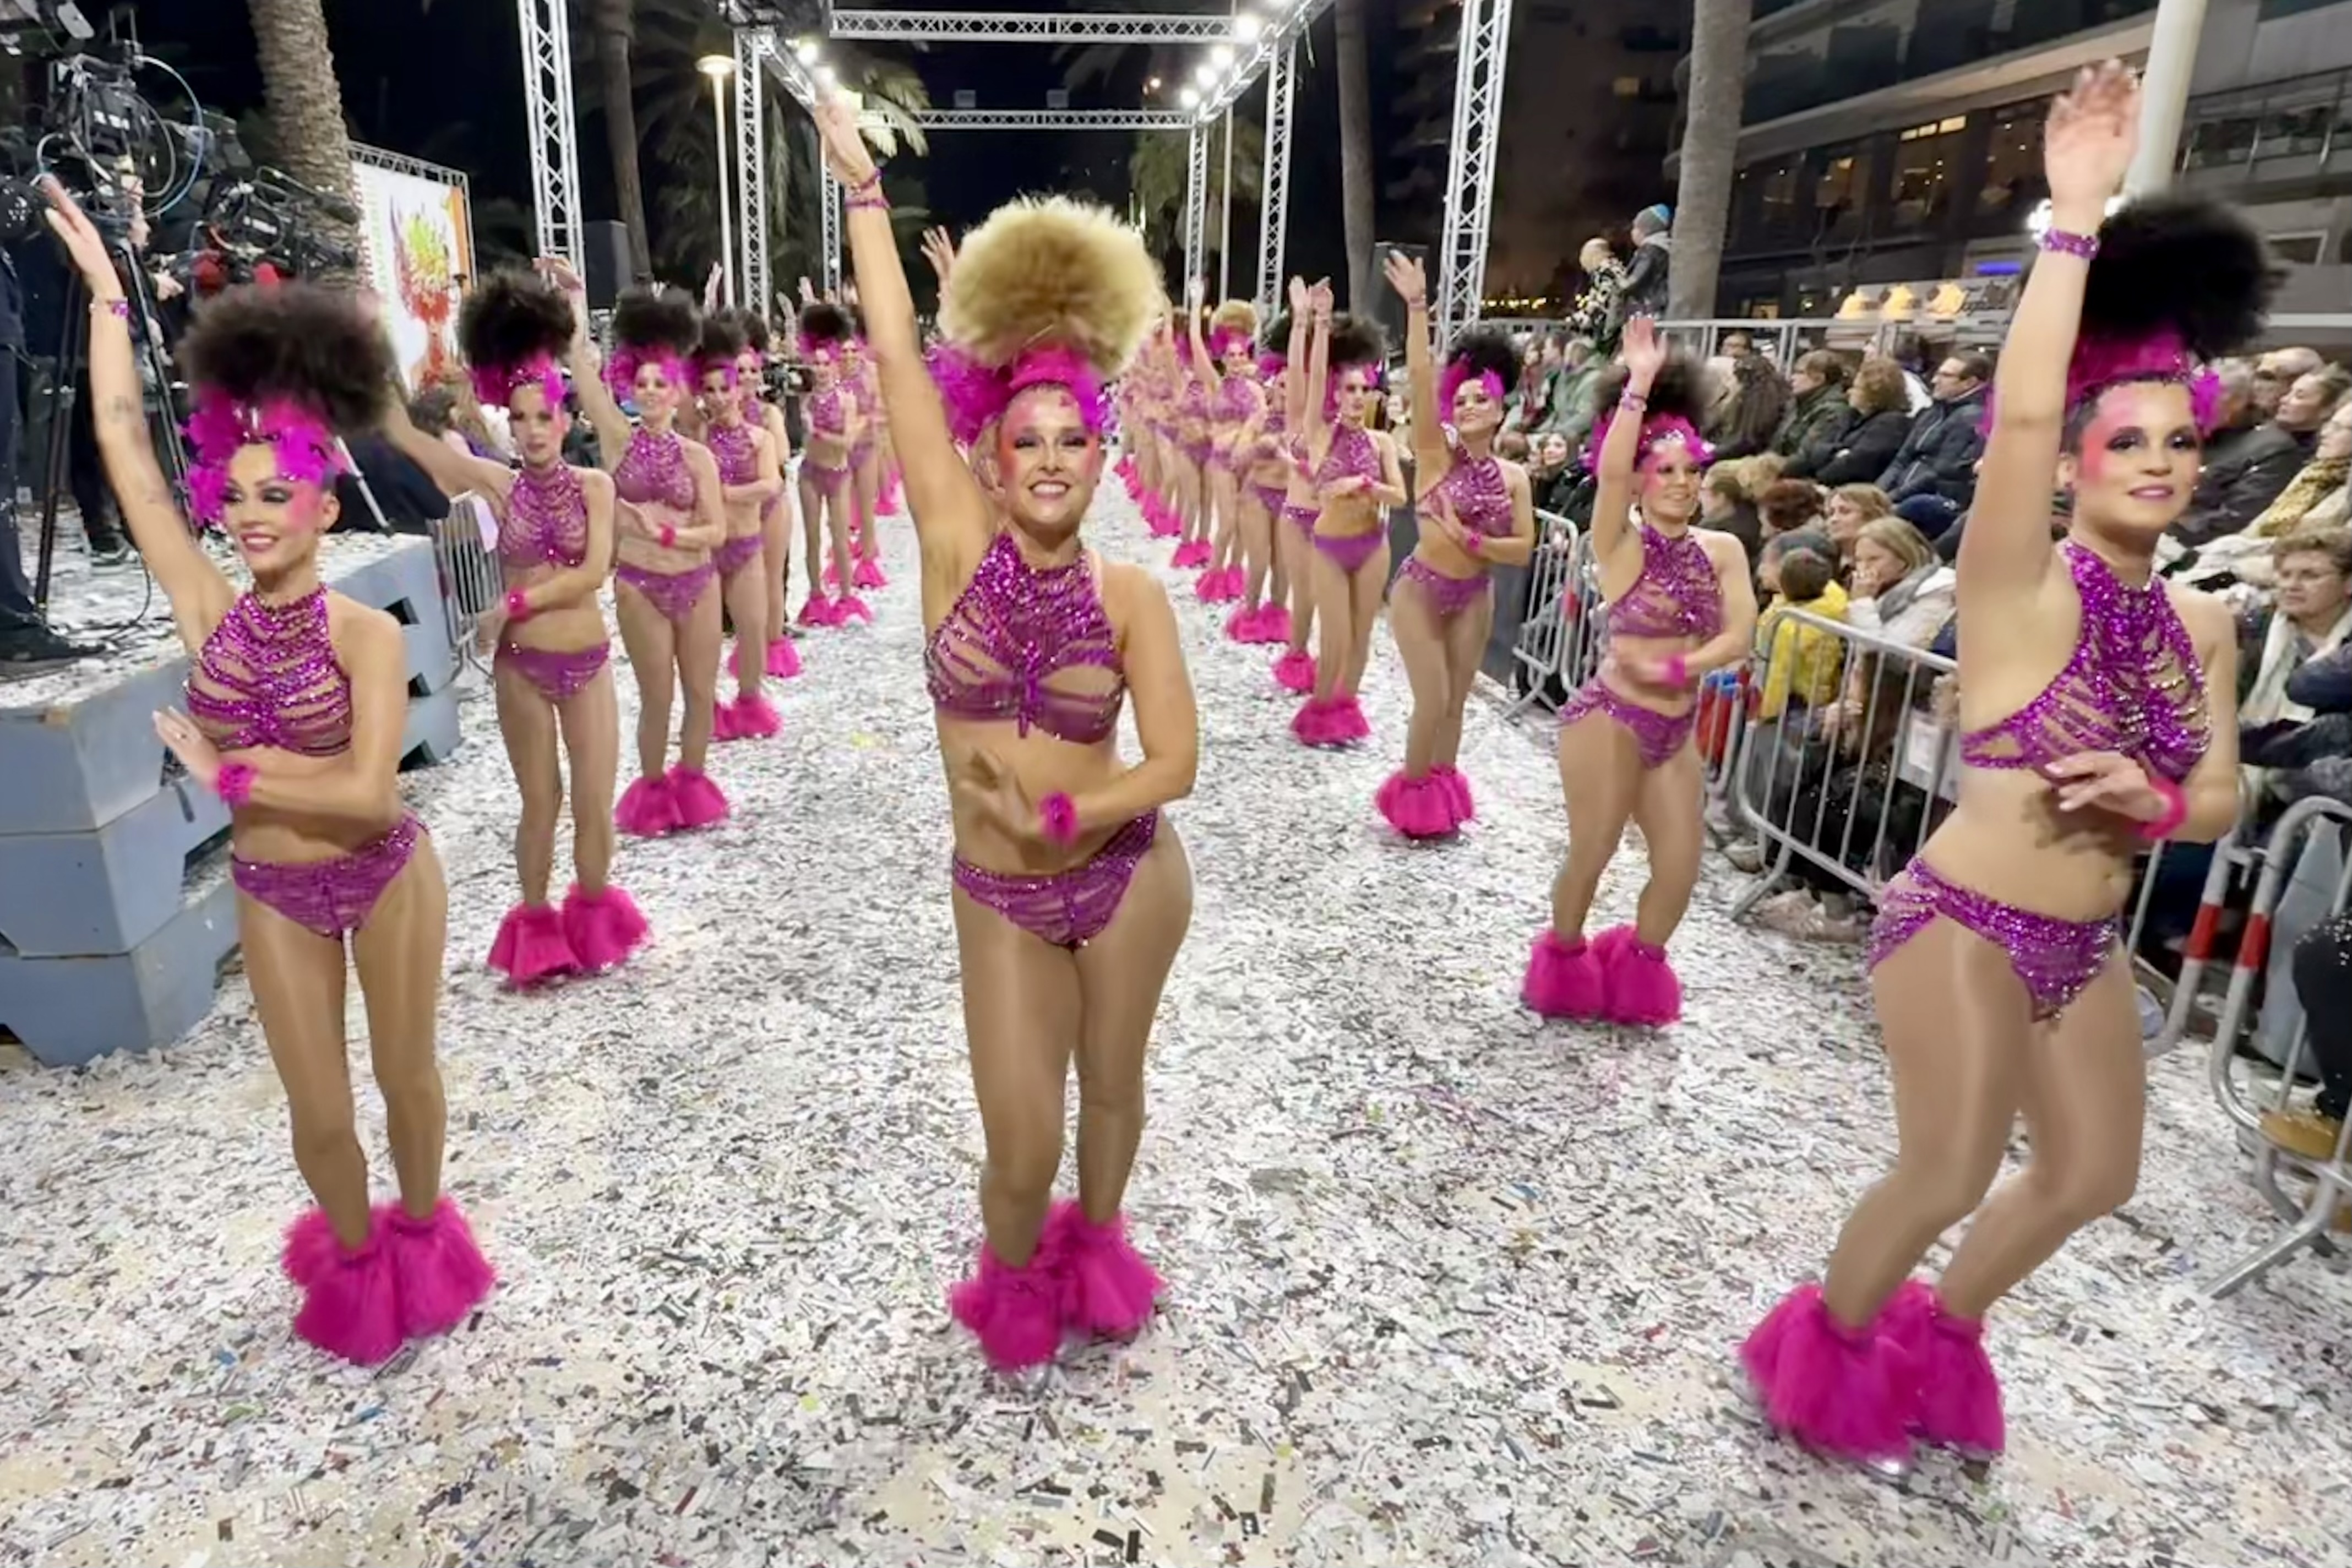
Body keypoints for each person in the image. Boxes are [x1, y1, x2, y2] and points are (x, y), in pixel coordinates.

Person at [1740, 64, 2260, 1466]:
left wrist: (2155, 799)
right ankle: (1829, 1348)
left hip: (2080, 948)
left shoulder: (2206, 619)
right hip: (1960, 922)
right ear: (2078, 457)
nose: (2156, 461)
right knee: (1948, 1163)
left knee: (2095, 1172)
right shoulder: (2017, 583)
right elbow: (2018, 415)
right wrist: (2073, 220)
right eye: (2126, 438)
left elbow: (2217, 794)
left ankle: (1940, 1324)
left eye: (2181, 441)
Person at [47, 178, 491, 1361]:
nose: (247, 515)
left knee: (404, 1077)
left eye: (275, 492)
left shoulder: (368, 631)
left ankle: (420, 1225)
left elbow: (370, 794)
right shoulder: (209, 610)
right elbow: (122, 454)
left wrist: (229, 770)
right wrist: (106, 296)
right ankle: (358, 1264)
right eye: (233, 494)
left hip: (388, 873)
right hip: (278, 890)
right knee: (319, 1107)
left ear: (324, 500)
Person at [816, 94, 1199, 1370]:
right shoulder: (948, 547)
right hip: (999, 891)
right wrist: (866, 196)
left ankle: (1101, 1238)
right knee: (1020, 1139)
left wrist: (1076, 811)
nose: (1049, 458)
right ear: (984, 449)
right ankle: (1023, 1262)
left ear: (1101, 456)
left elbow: (1174, 762)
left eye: (1072, 439)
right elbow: (886, 354)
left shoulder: (1134, 594)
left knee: (1114, 1084)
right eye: (1025, 438)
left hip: (1129, 874)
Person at [382, 267, 645, 985]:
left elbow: (594, 573)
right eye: (520, 418)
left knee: (594, 799)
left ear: (566, 420)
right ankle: (535, 919)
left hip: (586, 658)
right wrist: (368, 358)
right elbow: (413, 443)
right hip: (521, 672)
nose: (531, 431)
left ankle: (591, 914)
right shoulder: (497, 482)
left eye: (544, 417)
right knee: (543, 802)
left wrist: (514, 606)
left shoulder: (596, 487)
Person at [1522, 320, 1757, 1022]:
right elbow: (1614, 471)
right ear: (1641, 480)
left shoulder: (1723, 551)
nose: (1682, 483)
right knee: (1593, 851)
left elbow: (1741, 634)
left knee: (1681, 865)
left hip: (1675, 730)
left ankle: (1637, 970)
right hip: (1610, 721)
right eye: (1667, 470)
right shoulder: (1620, 544)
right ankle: (1564, 953)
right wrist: (1640, 388)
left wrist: (1685, 660)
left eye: (1693, 470)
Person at [550, 267, 733, 836]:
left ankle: (693, 781)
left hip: (698, 581)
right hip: (639, 586)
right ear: (631, 386)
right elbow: (581, 368)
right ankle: (655, 790)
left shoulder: (698, 456)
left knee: (701, 692)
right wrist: (576, 301)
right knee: (658, 696)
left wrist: (672, 536)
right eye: (643, 383)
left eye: (663, 383)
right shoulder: (616, 439)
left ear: (678, 389)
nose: (652, 391)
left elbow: (717, 530)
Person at [1375, 252, 1535, 837]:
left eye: (1481, 400)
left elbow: (1521, 550)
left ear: (1500, 408)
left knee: (1458, 702)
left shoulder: (1516, 477)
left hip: (1475, 594)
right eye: (1461, 399)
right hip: (1421, 589)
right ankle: (1413, 794)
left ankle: (1441, 788)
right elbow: (1419, 375)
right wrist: (1418, 308)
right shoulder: (1435, 453)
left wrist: (1470, 538)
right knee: (1434, 696)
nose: (1469, 407)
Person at [1292, 295, 1407, 747]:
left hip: (1372, 544)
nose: (1357, 397)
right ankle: (1322, 707)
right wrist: (1320, 324)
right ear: (1336, 395)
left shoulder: (1382, 443)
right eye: (1349, 390)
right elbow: (1316, 375)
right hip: (1329, 546)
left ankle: (1346, 708)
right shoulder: (1321, 435)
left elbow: (1400, 496)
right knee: (1335, 636)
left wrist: (1370, 488)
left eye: (1364, 390)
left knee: (1361, 636)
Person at [693, 315, 787, 743]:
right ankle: (708, 707)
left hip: (747, 544)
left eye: (724, 388)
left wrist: (728, 494)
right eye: (709, 390)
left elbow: (772, 483)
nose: (717, 398)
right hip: (708, 549)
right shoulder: (698, 435)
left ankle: (749, 700)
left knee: (752, 627)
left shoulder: (759, 437)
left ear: (737, 389)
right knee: (707, 636)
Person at [726, 310, 804, 680]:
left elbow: (784, 456)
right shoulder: (717, 419)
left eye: (752, 371)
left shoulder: (770, 414)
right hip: (734, 514)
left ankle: (773, 645)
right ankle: (748, 643)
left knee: (772, 576)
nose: (746, 378)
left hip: (770, 504)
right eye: (738, 372)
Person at [794, 302, 869, 625]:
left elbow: (848, 442)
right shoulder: (806, 401)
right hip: (810, 473)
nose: (822, 370)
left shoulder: (847, 400)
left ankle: (847, 595)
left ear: (836, 366)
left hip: (838, 474)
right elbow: (807, 443)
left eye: (827, 364)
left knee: (839, 537)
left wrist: (819, 432)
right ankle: (815, 594)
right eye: (817, 365)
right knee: (812, 537)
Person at [1192, 297, 1261, 610]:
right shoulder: (1215, 385)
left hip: (1246, 463)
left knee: (1244, 527)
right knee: (1228, 523)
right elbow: (1196, 343)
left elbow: (1261, 422)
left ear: (1247, 355)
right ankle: (1215, 573)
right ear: (1223, 356)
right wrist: (1196, 305)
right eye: (1230, 354)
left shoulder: (1256, 391)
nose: (1235, 359)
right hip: (1220, 462)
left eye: (1240, 354)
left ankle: (1234, 574)